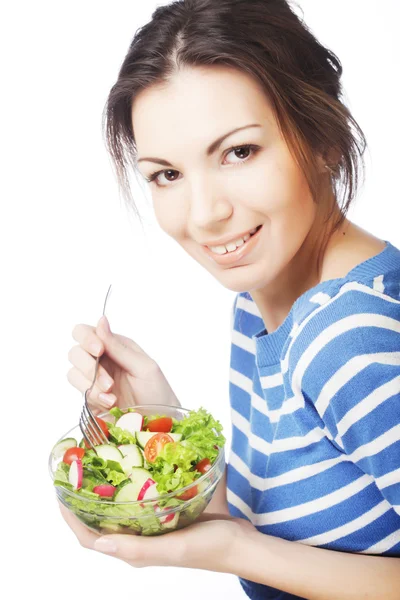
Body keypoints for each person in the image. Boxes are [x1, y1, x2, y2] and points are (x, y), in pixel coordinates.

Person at [62, 1, 400, 598]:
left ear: (323, 136)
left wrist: (235, 550)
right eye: (167, 174)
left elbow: (256, 547)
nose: (205, 215)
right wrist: (165, 425)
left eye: (239, 152)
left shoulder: (349, 340)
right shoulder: (268, 293)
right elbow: (291, 521)